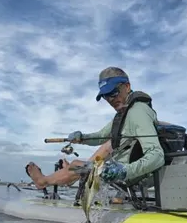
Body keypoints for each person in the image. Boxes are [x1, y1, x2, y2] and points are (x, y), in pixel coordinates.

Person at [25, 67, 165, 189]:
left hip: (132, 175)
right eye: (105, 96)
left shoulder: (137, 112)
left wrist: (124, 171)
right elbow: (101, 135)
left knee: (77, 165)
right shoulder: (125, 112)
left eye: (113, 93)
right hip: (121, 169)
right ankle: (65, 179)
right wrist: (82, 138)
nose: (110, 100)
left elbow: (157, 156)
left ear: (127, 87)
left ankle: (43, 181)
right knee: (94, 155)